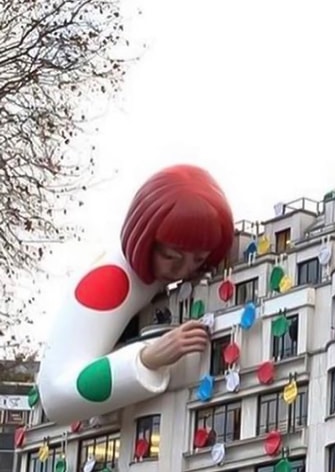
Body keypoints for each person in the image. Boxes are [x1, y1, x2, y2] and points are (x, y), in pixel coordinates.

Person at [35, 164, 234, 424]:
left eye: (198, 260)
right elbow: (55, 395)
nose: (184, 270)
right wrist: (147, 358)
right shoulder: (110, 281)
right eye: (171, 256)